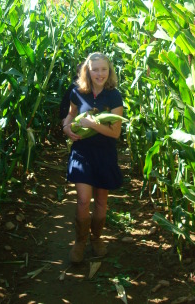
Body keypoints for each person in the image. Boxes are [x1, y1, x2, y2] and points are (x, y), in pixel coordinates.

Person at [62, 52, 124, 263]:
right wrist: (66, 127)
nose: (100, 74)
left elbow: (115, 132)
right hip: (82, 151)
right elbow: (71, 114)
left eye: (104, 69)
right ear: (87, 71)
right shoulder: (78, 93)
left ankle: (96, 238)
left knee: (100, 202)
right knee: (82, 200)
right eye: (95, 69)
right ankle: (80, 241)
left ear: (109, 71)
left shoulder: (114, 96)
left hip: (104, 153)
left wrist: (93, 125)